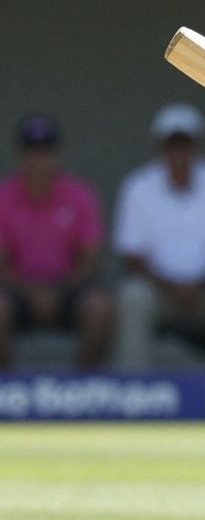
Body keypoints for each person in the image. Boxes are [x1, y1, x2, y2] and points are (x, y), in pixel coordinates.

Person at [112, 103, 205, 369]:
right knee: (132, 297)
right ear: (159, 146)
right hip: (159, 290)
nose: (179, 153)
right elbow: (132, 256)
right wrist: (172, 288)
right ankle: (137, 393)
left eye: (185, 144)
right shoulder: (137, 187)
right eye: (172, 144)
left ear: (198, 145)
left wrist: (200, 286)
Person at [0, 114, 113, 368]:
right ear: (21, 155)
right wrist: (33, 294)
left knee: (99, 308)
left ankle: (78, 392)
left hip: (68, 291)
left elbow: (90, 260)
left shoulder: (80, 195)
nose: (39, 161)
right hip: (18, 291)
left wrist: (55, 293)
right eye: (32, 152)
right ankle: (7, 394)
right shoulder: (4, 197)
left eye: (45, 152)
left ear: (56, 155)